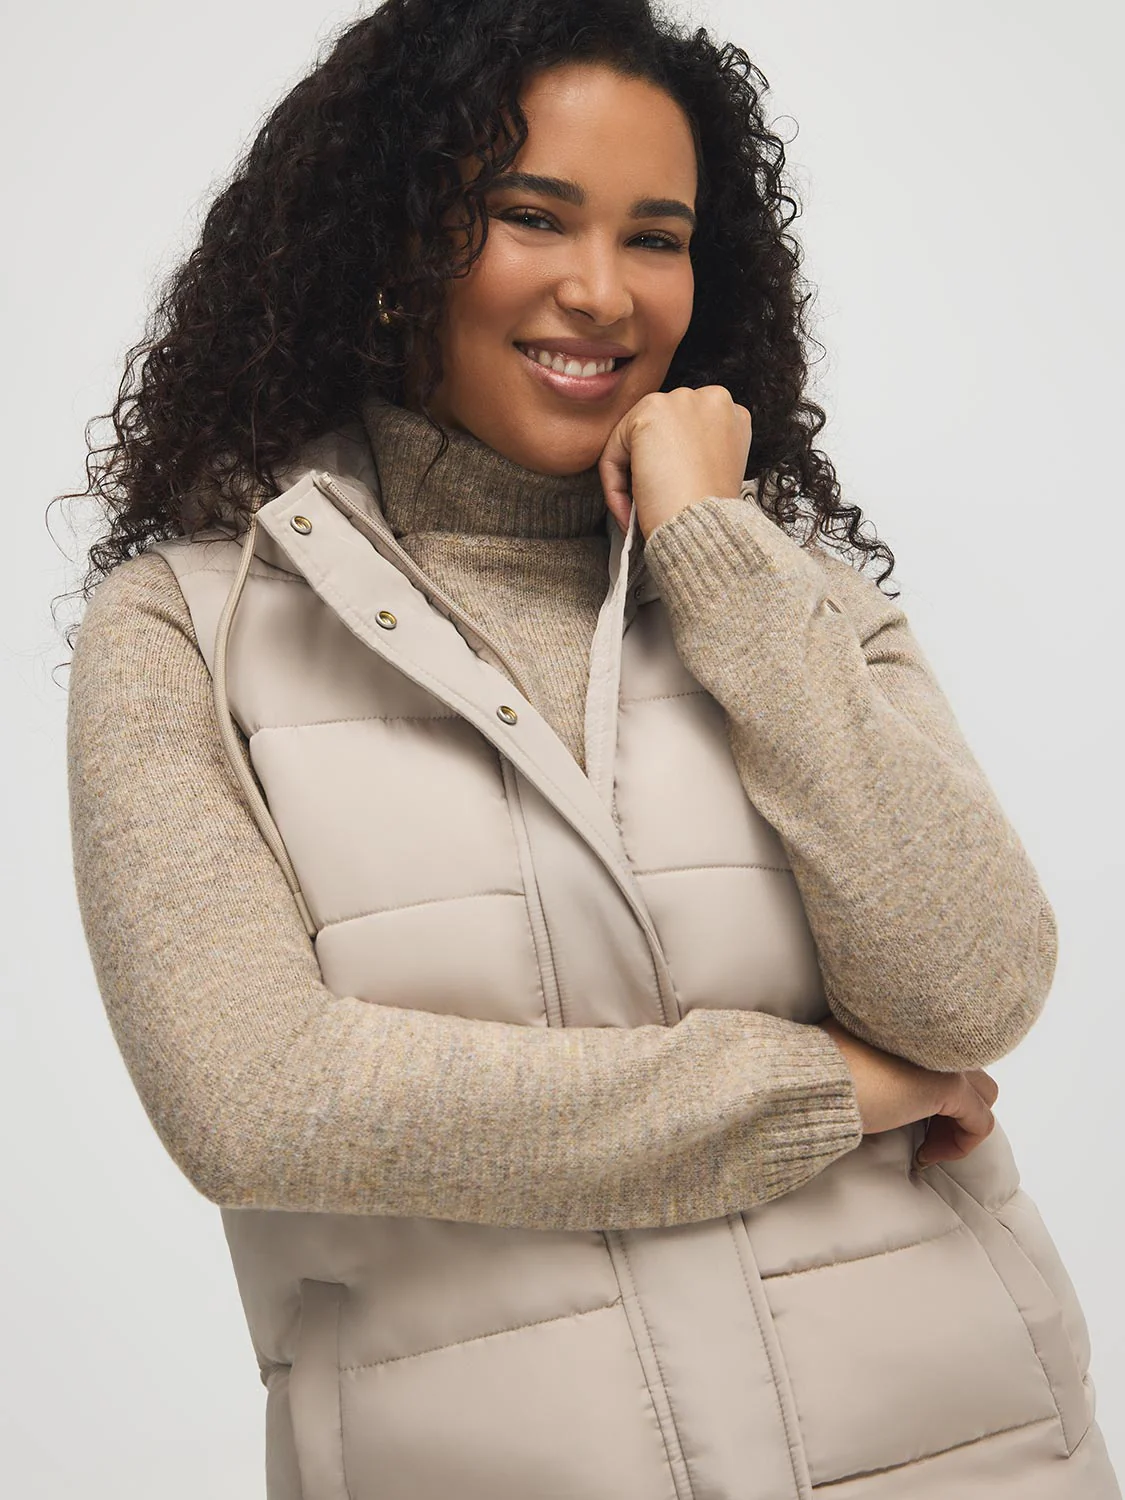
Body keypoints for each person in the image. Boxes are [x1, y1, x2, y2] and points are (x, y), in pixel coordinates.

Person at [61, 0, 1120, 1495]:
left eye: (656, 237)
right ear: (393, 245)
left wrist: (714, 550)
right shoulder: (189, 633)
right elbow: (262, 1101)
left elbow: (974, 987)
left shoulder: (791, 603)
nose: (602, 292)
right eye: (532, 217)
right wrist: (818, 1090)